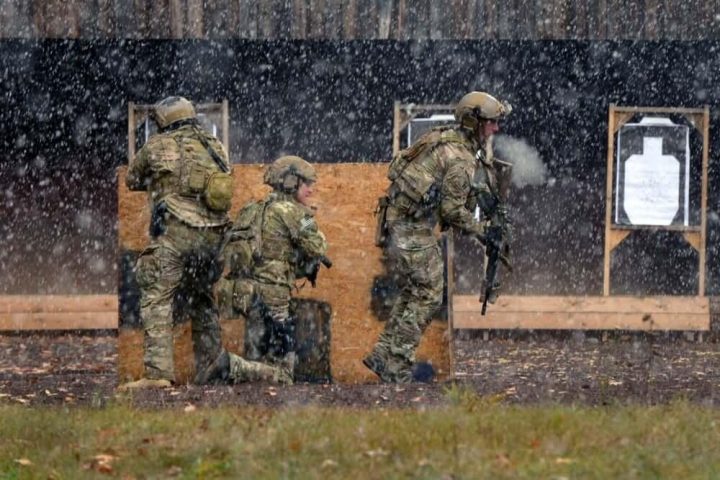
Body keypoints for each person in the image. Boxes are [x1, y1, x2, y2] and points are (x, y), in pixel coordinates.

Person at [120, 96, 290, 390]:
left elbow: (132, 179)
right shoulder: (216, 147)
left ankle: (158, 373)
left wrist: (163, 183)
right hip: (214, 241)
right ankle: (211, 364)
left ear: (162, 121)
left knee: (157, 298)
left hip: (176, 234)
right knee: (202, 299)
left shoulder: (158, 145)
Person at [365, 91, 512, 383]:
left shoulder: (445, 137)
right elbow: (452, 210)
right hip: (409, 227)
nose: (496, 128)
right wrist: (485, 232)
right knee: (430, 295)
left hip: (402, 223)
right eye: (491, 123)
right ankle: (396, 364)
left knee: (415, 291)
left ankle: (384, 354)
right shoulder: (459, 158)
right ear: (474, 123)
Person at [217, 155, 329, 381]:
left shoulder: (253, 208)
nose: (310, 190)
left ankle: (240, 371)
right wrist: (311, 221)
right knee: (284, 375)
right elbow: (318, 247)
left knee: (263, 358)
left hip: (246, 294)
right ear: (290, 182)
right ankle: (231, 366)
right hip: (274, 298)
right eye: (306, 184)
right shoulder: (292, 212)